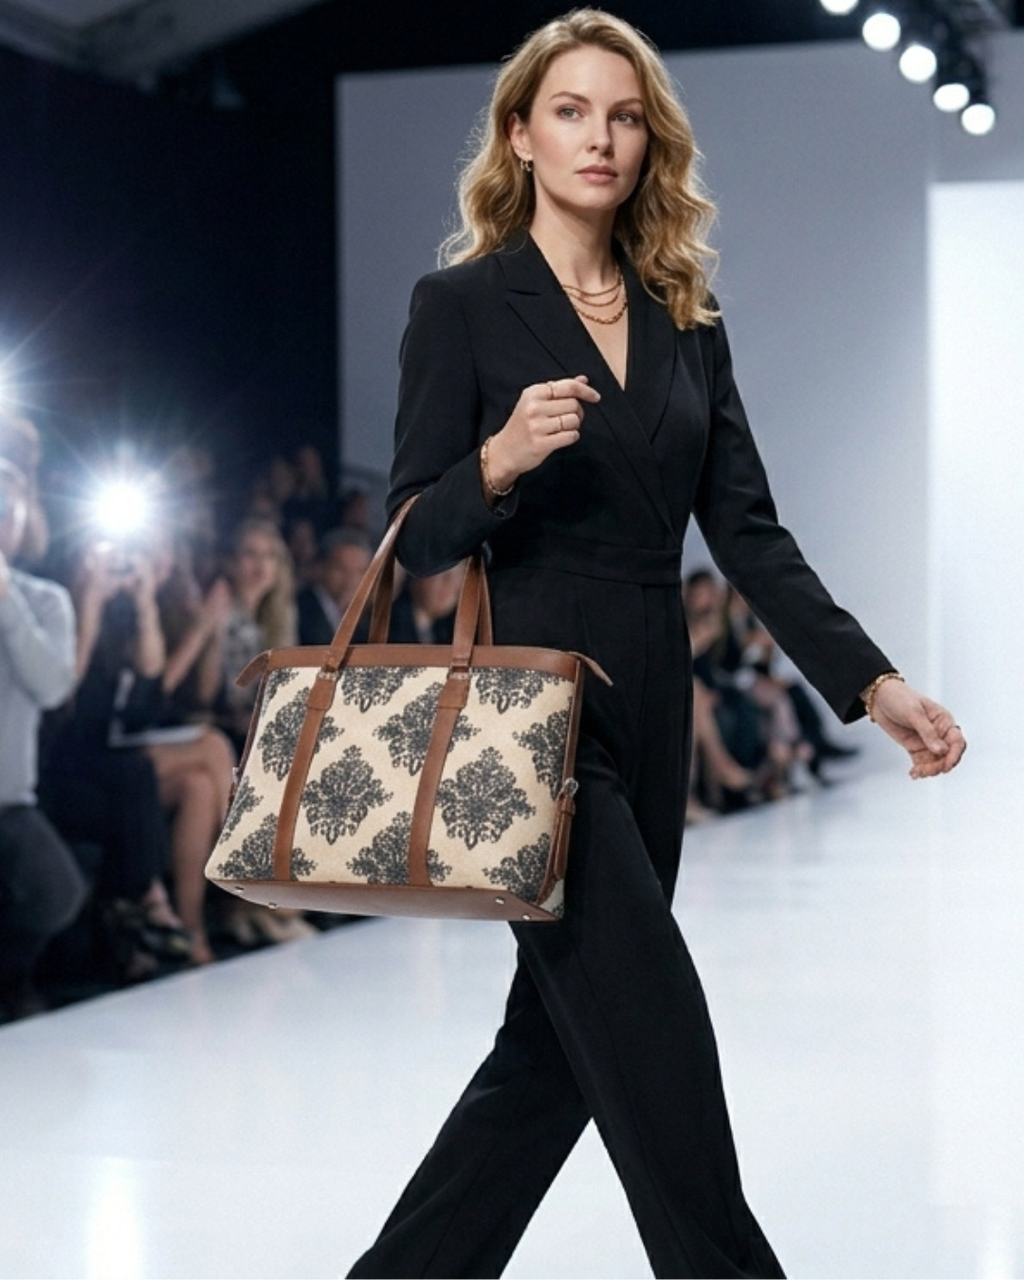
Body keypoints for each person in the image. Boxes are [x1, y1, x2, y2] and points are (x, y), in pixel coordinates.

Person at [347, 11, 966, 1278]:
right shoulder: (461, 304)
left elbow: (746, 533)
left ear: (649, 141)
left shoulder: (687, 314)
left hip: (651, 694)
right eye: (570, 110)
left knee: (553, 1056)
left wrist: (869, 677)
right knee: (656, 1031)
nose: (600, 137)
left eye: (624, 115)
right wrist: (501, 459)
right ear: (520, 135)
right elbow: (414, 537)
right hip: (527, 710)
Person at [0, 421, 87, 1020]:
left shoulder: (44, 599)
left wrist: (6, 602)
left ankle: (11, 982)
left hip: (10, 801)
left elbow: (54, 684)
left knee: (56, 891)